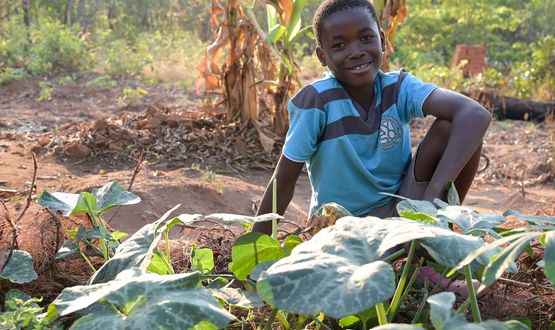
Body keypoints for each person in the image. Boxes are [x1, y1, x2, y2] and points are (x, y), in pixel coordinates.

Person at [252, 0, 491, 235]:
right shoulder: (316, 102)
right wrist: (254, 250)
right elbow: (282, 181)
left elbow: (476, 114)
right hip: (341, 227)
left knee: (453, 128)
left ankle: (438, 231)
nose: (356, 52)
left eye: (366, 38)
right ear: (322, 56)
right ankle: (414, 247)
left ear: (382, 41)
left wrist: (433, 196)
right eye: (339, 45)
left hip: (402, 213)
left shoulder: (398, 88)